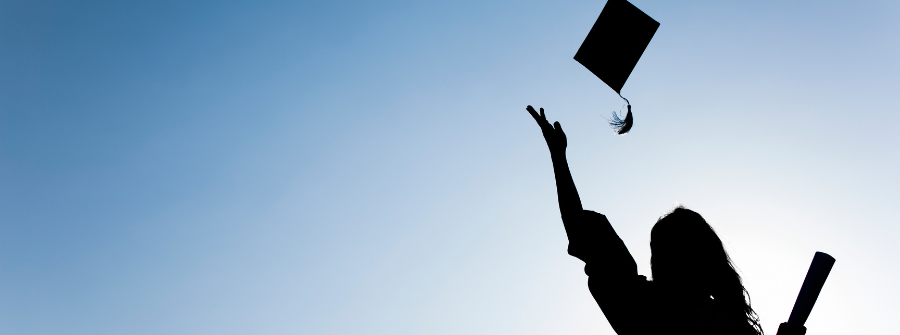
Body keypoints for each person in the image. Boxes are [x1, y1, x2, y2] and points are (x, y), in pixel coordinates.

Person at [526, 105, 763, 335]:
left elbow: (584, 232)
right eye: (660, 250)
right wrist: (558, 157)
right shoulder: (645, 307)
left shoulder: (726, 319)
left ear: (703, 256)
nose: (661, 259)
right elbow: (583, 230)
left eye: (675, 248)